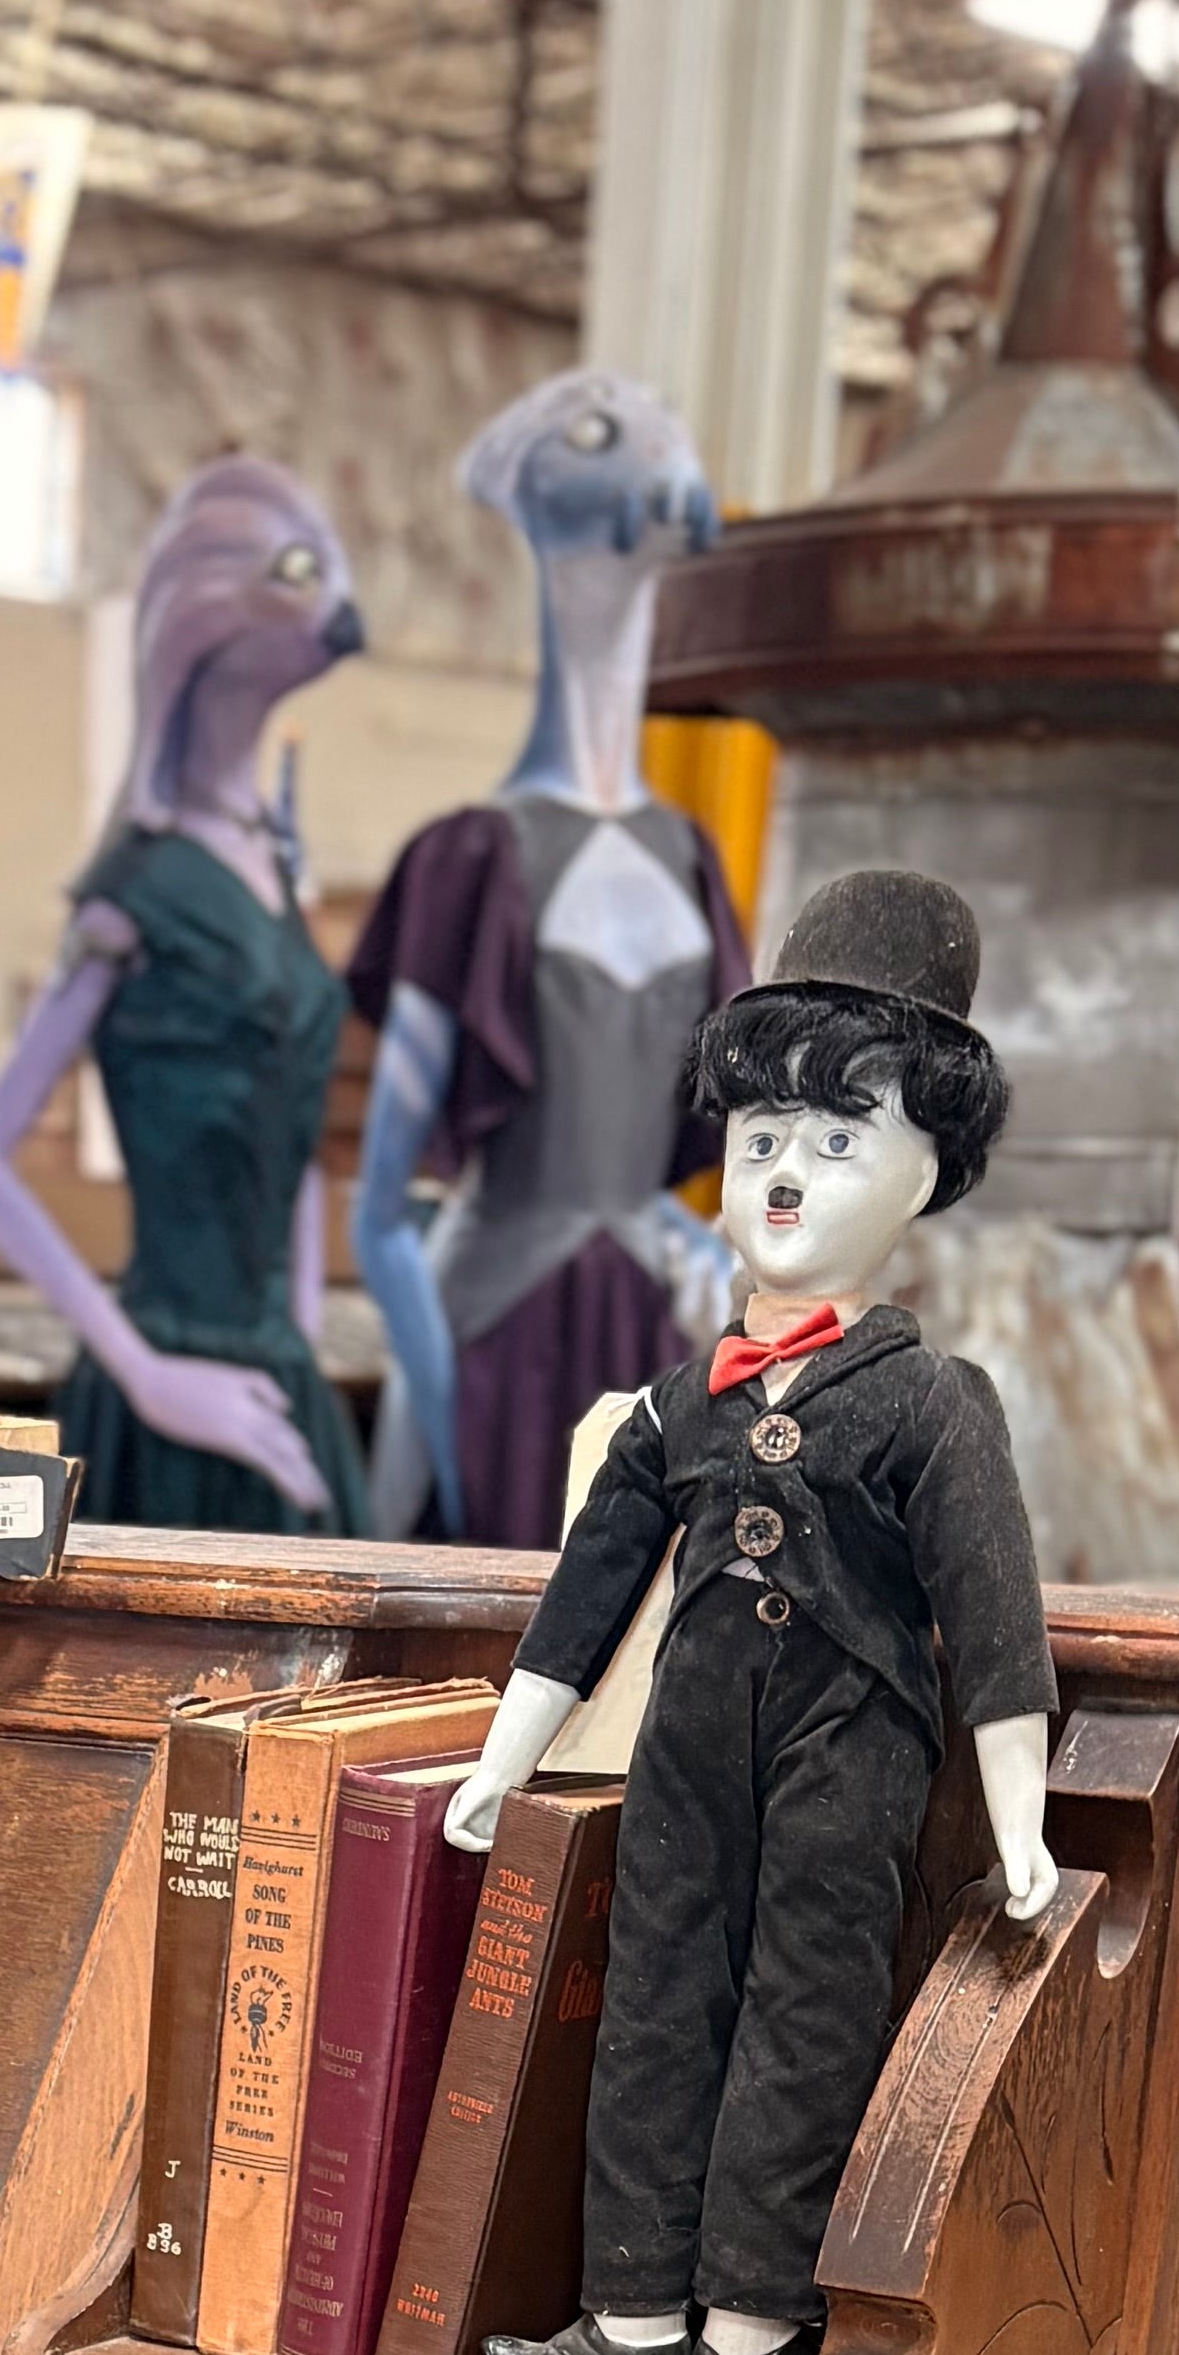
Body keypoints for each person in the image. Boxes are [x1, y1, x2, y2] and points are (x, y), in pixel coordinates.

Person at [440, 870, 1061, 2355]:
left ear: (925, 1175)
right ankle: (634, 2311)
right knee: (655, 1997)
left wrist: (1021, 1820)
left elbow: (994, 1619)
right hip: (690, 1744)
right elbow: (585, 1597)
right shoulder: (677, 1406)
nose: (787, 1176)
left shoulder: (932, 1403)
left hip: (852, 1747)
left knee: (809, 2008)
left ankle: (752, 2317)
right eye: (762, 1139)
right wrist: (503, 1761)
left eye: (838, 1143)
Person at [343, 371, 751, 1546]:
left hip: (649, 1344)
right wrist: (435, 1417)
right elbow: (381, 1215)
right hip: (499, 1349)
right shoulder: (474, 859)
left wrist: (695, 1251)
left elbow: (688, 1144)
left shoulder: (689, 857)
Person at [0, 453, 369, 1536]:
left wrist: (299, 1332)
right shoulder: (137, 890)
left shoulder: (275, 870)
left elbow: (300, 1149)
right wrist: (143, 1372)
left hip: (279, 1384)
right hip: (167, 1385)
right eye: (295, 576)